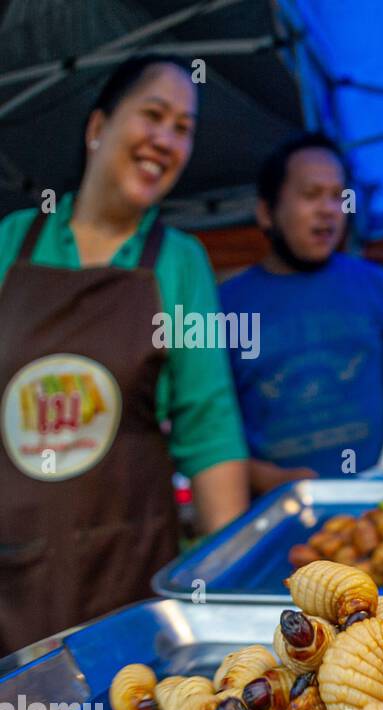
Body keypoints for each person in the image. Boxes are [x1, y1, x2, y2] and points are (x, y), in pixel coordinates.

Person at [0, 55, 249, 655]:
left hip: (127, 584)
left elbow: (209, 432)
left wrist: (234, 606)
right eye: (154, 116)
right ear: (97, 128)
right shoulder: (10, 242)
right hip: (9, 580)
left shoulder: (179, 261)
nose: (166, 140)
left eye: (183, 129)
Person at [219, 133, 383, 494]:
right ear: (267, 212)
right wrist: (266, 480)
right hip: (278, 517)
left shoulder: (376, 285)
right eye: (311, 195)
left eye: (337, 196)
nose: (328, 210)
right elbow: (207, 432)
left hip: (375, 506)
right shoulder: (225, 306)